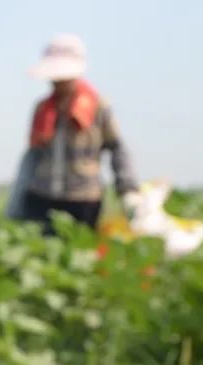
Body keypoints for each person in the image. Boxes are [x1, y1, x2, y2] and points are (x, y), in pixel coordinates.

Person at [20, 33, 138, 232]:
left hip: (83, 200)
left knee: (82, 254)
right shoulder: (42, 109)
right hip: (41, 197)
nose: (57, 81)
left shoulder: (98, 106)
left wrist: (127, 188)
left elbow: (117, 148)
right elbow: (32, 156)